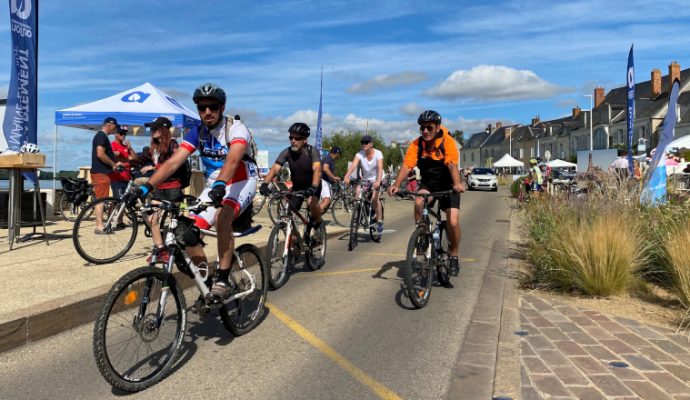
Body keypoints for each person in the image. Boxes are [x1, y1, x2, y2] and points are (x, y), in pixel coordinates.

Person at [131, 83, 258, 299]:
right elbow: (172, 163)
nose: (207, 112)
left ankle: (223, 279)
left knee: (223, 216)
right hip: (214, 185)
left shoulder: (235, 128)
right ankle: (206, 280)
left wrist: (221, 183)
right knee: (184, 232)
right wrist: (146, 186)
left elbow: (233, 158)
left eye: (213, 106)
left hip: (241, 180)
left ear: (222, 107)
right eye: (202, 107)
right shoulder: (196, 131)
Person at [388, 110, 465, 278]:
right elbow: (407, 165)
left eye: (429, 127)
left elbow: (452, 165)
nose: (425, 131)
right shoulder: (417, 144)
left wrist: (458, 184)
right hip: (429, 184)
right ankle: (422, 234)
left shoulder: (448, 142)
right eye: (422, 128)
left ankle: (454, 255)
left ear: (437, 127)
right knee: (418, 202)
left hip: (449, 184)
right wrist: (396, 184)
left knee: (452, 221)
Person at [259, 122, 323, 229]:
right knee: (288, 215)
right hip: (297, 188)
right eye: (291, 137)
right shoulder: (287, 152)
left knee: (312, 203)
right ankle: (292, 241)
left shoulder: (312, 151)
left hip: (312, 186)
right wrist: (265, 184)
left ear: (305, 139)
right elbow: (275, 169)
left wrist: (314, 187)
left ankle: (318, 222)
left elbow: (317, 170)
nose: (293, 140)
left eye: (297, 138)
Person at [142, 117, 185, 263]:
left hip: (173, 187)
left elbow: (176, 164)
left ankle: (172, 251)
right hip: (159, 188)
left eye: (155, 128)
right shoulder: (154, 148)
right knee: (152, 219)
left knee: (173, 221)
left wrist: (156, 168)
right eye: (151, 129)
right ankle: (161, 249)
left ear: (163, 130)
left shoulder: (173, 145)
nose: (152, 131)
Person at [344, 135, 385, 234]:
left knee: (375, 199)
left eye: (366, 142)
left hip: (378, 178)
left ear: (371, 144)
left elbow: (380, 168)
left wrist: (378, 180)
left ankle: (379, 221)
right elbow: (353, 165)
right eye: (362, 143)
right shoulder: (359, 154)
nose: (364, 144)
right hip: (366, 180)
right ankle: (359, 213)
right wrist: (346, 176)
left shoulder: (378, 153)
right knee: (357, 192)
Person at [91, 117, 123, 234]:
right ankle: (99, 226)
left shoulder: (101, 136)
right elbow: (100, 154)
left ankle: (100, 225)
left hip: (102, 172)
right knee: (101, 200)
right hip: (101, 172)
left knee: (102, 199)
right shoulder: (101, 136)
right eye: (114, 127)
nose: (115, 130)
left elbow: (103, 153)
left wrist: (114, 161)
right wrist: (113, 165)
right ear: (109, 125)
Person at [110, 125, 137, 198]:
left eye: (125, 133)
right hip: (117, 178)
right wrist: (116, 155)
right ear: (115, 134)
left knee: (124, 202)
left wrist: (130, 148)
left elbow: (135, 159)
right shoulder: (112, 145)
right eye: (121, 133)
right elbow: (109, 157)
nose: (123, 135)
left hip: (127, 178)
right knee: (118, 201)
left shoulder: (125, 147)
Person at [319, 146, 342, 213]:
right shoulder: (328, 158)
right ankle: (314, 216)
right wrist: (333, 177)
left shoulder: (330, 159)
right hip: (323, 181)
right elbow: (325, 168)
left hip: (325, 181)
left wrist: (333, 179)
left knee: (325, 201)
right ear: (336, 153)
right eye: (339, 153)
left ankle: (316, 215)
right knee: (327, 201)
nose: (339, 155)